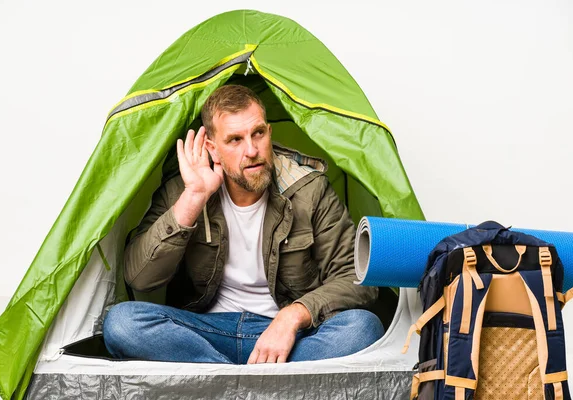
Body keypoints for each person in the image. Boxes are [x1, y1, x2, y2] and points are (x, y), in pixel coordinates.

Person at [103, 85, 384, 364]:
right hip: (205, 334)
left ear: (269, 133)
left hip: (285, 339)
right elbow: (139, 277)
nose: (252, 150)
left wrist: (293, 315)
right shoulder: (183, 190)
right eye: (235, 140)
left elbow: (357, 279)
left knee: (363, 327)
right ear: (212, 148)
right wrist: (194, 198)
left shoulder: (308, 190)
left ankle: (221, 384)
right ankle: (262, 385)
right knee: (122, 323)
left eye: (258, 133)